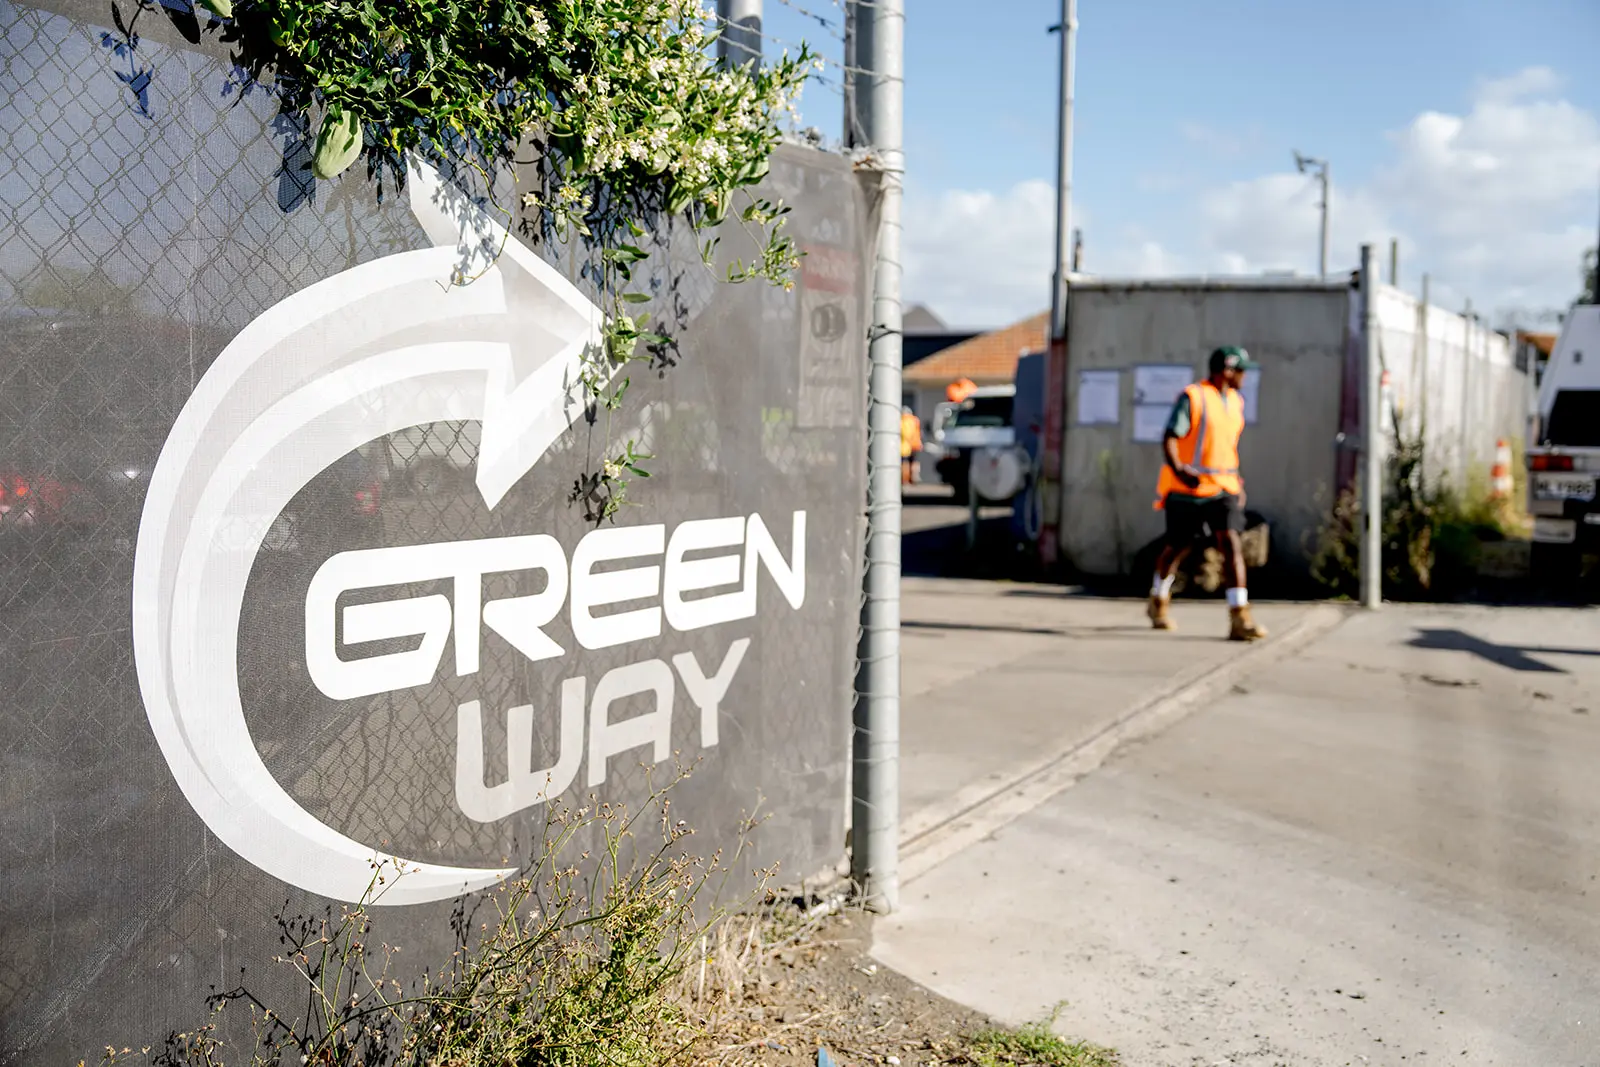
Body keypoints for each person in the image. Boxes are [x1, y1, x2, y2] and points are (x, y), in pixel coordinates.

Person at [1147, 345, 1268, 642]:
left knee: (1231, 544)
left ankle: (1239, 615)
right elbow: (1171, 436)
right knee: (1177, 547)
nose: (1244, 377)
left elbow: (1226, 447)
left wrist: (1236, 482)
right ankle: (1158, 598)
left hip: (1222, 489)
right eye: (1241, 371)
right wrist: (1179, 469)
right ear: (1226, 371)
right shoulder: (1194, 397)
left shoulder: (1235, 402)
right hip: (1187, 489)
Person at [900, 405, 923, 484]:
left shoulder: (904, 420)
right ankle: (914, 477)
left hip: (906, 445)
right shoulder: (915, 420)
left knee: (904, 462)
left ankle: (905, 479)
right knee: (914, 462)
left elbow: (906, 434)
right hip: (915, 444)